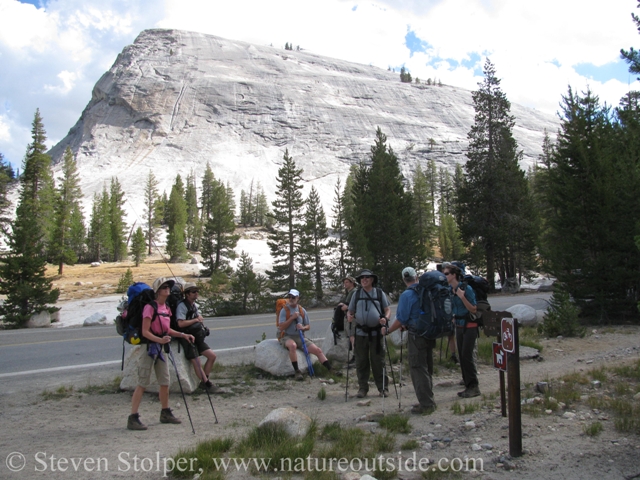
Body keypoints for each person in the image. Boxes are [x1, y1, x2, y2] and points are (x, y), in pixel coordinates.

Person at [128, 277, 195, 431]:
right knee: (142, 382)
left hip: (160, 348)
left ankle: (165, 412)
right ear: (157, 291)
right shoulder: (150, 308)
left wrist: (183, 335)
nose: (167, 289)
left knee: (165, 381)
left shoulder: (166, 308)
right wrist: (160, 340)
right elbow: (145, 331)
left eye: (168, 287)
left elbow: (167, 330)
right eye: (164, 287)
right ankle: (133, 417)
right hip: (149, 348)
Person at [387, 267, 437, 414]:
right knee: (427, 366)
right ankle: (429, 398)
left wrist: (387, 331)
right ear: (416, 277)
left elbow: (400, 319)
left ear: (404, 279)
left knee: (417, 368)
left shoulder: (407, 295)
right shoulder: (427, 291)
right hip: (430, 332)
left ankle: (426, 404)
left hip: (416, 336)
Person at [347, 269, 391, 398]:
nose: (364, 280)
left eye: (367, 277)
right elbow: (350, 311)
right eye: (362, 278)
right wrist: (349, 316)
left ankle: (383, 388)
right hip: (360, 332)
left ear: (372, 280)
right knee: (361, 361)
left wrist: (386, 319)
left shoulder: (379, 293)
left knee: (378, 361)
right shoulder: (356, 294)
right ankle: (363, 388)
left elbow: (387, 310)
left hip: (376, 333)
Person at [278, 289, 339, 380]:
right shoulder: (284, 310)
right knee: (292, 346)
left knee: (318, 350)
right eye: (289, 297)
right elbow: (281, 327)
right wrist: (292, 318)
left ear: (297, 298)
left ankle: (331, 369)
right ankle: (297, 372)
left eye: (293, 297)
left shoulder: (302, 311)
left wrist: (303, 328)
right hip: (287, 336)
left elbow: (308, 326)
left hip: (300, 336)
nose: (291, 299)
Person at [176, 282, 222, 394]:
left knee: (212, 356)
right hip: (186, 337)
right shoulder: (182, 306)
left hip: (197, 336)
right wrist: (196, 320)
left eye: (197, 291)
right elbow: (180, 324)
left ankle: (203, 381)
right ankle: (207, 384)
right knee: (196, 361)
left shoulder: (193, 305)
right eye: (193, 291)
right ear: (187, 294)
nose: (196, 293)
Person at [444, 264, 480, 398]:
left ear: (454, 275)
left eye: (447, 273)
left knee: (467, 356)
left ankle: (473, 386)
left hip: (469, 326)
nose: (445, 276)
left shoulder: (466, 289)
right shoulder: (451, 290)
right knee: (462, 357)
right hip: (458, 325)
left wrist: (462, 297)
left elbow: (473, 309)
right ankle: (468, 384)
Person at [338, 276, 358, 363]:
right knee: (351, 335)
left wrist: (347, 307)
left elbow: (355, 305)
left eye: (347, 282)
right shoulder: (350, 292)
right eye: (344, 282)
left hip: (352, 317)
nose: (345, 284)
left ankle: (355, 355)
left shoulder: (354, 292)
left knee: (352, 335)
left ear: (352, 283)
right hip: (350, 316)